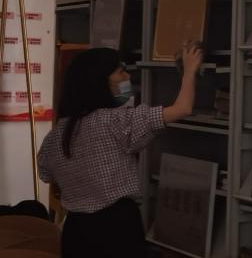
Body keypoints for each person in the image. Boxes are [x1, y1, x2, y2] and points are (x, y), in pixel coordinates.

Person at [36, 43, 203, 258]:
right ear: (100, 81)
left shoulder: (57, 134)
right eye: (120, 71)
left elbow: (46, 173)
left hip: (76, 231)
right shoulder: (114, 120)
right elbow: (182, 109)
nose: (127, 77)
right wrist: (189, 71)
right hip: (116, 228)